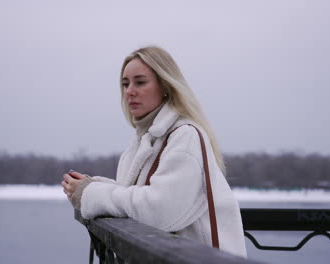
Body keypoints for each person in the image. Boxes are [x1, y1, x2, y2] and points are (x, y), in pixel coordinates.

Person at [61, 46, 247, 258]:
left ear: (165, 86)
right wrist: (91, 186)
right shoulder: (143, 140)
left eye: (140, 82)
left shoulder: (185, 136)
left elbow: (160, 210)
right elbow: (136, 195)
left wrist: (91, 194)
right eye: (125, 84)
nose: (129, 91)